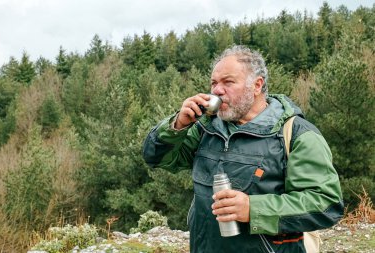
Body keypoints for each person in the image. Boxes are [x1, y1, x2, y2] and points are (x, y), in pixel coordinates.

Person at [143, 45, 343, 253]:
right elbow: (155, 158)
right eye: (214, 83)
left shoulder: (296, 134)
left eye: (228, 82)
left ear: (257, 86)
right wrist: (177, 125)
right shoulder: (205, 127)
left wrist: (253, 209)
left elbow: (327, 205)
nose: (217, 90)